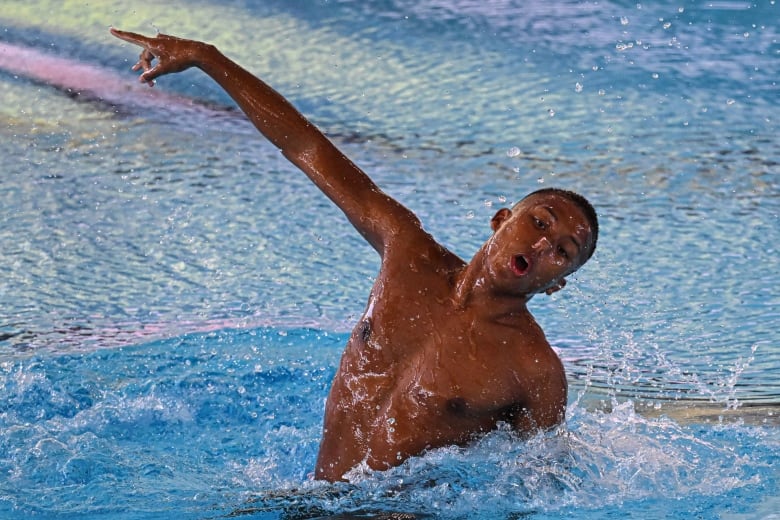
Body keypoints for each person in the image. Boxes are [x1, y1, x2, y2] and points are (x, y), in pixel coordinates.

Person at [110, 28, 599, 482]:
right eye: (539, 223)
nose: (540, 245)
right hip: (315, 498)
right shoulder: (406, 250)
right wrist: (207, 58)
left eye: (561, 251)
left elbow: (535, 484)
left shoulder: (533, 369)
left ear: (557, 283)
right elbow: (305, 146)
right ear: (501, 220)